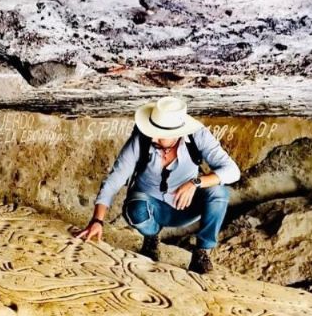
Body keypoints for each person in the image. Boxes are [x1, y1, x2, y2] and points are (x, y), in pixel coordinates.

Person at [74, 96, 241, 273]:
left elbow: (232, 171)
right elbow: (115, 179)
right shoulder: (142, 139)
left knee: (219, 193)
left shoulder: (197, 135)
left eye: (160, 133)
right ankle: (151, 238)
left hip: (185, 205)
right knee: (135, 210)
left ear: (177, 133)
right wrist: (97, 220)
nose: (153, 136)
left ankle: (202, 252)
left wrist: (196, 182)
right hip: (149, 207)